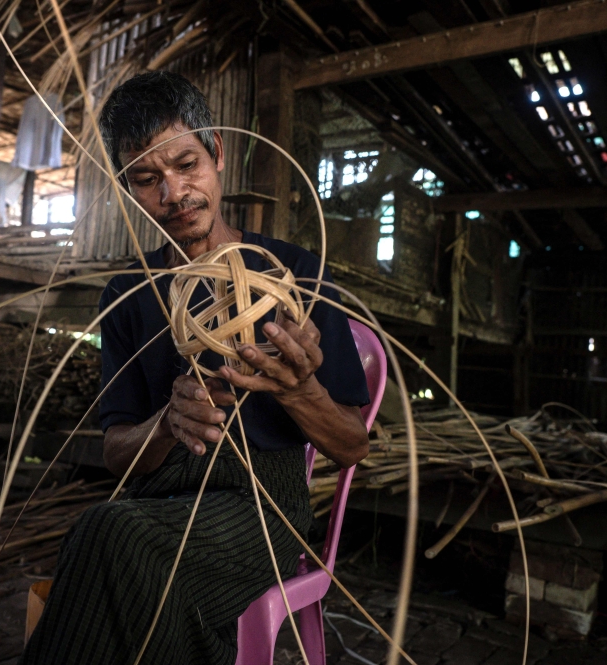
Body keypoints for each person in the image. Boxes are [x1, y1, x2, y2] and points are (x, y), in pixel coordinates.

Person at [20, 71, 370, 665]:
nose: (174, 194)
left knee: (108, 540)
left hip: (261, 509)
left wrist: (300, 390)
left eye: (187, 165)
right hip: (161, 499)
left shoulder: (293, 276)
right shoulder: (129, 293)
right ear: (129, 188)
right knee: (115, 546)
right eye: (148, 179)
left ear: (218, 153)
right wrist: (165, 422)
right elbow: (115, 453)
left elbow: (353, 444)